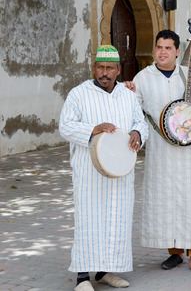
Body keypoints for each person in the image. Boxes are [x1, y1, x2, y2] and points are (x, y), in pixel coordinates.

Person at [131, 29, 191, 276]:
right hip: (159, 150)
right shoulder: (143, 78)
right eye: (159, 47)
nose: (162, 52)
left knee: (189, 199)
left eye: (168, 48)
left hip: (186, 152)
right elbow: (132, 112)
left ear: (177, 51)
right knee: (164, 199)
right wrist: (124, 92)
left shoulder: (188, 76)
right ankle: (174, 253)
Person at [59, 45, 149, 291]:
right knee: (89, 220)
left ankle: (105, 271)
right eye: (100, 67)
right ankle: (81, 277)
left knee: (116, 221)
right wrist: (93, 129)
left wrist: (137, 133)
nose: (104, 73)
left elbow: (141, 122)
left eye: (110, 68)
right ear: (94, 68)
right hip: (89, 172)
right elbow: (65, 126)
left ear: (118, 70)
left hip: (120, 173)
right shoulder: (79, 94)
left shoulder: (127, 96)